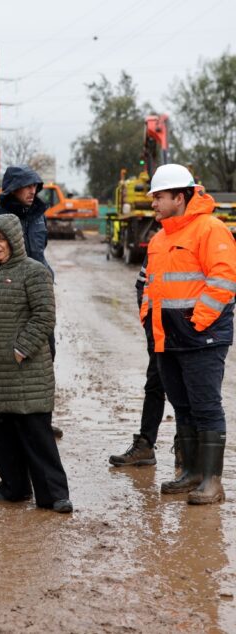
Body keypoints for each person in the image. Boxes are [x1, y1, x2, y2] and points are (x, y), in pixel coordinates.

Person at [140, 164, 236, 505]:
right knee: (182, 406)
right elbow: (151, 285)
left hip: (201, 338)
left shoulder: (210, 229)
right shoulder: (160, 238)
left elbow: (224, 280)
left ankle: (212, 481)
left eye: (159, 197)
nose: (154, 203)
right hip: (168, 339)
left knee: (205, 406)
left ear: (179, 197)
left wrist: (198, 322)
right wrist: (147, 316)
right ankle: (192, 473)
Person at [0, 214, 72, 513]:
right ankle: (14, 487)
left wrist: (21, 348)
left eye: (1, 239)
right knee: (1, 435)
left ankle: (54, 494)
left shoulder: (34, 272)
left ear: (14, 240)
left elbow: (44, 316)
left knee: (36, 434)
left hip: (26, 370)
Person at [0, 165, 64, 439]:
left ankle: (41, 422)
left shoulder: (38, 217)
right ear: (12, 189)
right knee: (9, 365)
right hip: (8, 305)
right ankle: (11, 423)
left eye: (35, 186)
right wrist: (1, 285)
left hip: (38, 298)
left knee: (44, 357)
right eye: (27, 186)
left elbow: (39, 252)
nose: (33, 191)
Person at [108, 259, 171, 467]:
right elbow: (142, 284)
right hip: (159, 333)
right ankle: (145, 445)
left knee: (189, 393)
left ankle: (187, 452)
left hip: (191, 335)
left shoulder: (203, 241)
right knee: (154, 386)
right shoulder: (157, 245)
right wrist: (149, 323)